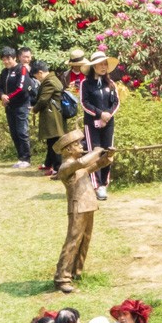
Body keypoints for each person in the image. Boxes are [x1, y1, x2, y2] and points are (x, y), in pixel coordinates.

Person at [53, 129, 113, 292]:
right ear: (68, 150)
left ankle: (76, 271)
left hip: (88, 205)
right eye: (77, 144)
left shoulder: (78, 166)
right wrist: (96, 151)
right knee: (73, 241)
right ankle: (62, 278)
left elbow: (95, 165)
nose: (81, 146)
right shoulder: (67, 166)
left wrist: (107, 157)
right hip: (77, 207)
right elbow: (82, 163)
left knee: (85, 239)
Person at [80, 52, 118, 197]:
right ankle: (96, 185)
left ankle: (104, 183)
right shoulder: (85, 83)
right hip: (91, 124)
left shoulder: (111, 83)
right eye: (100, 64)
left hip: (108, 123)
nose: (103, 67)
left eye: (105, 64)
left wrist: (107, 115)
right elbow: (84, 103)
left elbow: (115, 102)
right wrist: (99, 114)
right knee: (94, 152)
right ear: (93, 66)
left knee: (108, 152)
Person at [0, 47, 35, 165]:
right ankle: (20, 157)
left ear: (14, 58)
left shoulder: (21, 69)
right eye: (3, 59)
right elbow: (0, 87)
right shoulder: (4, 72)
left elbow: (22, 88)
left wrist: (9, 97)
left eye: (8, 59)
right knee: (14, 132)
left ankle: (26, 158)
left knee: (21, 132)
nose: (6, 61)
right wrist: (2, 96)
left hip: (21, 105)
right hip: (9, 106)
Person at [33, 60, 69, 173]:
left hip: (53, 116)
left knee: (55, 142)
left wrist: (35, 109)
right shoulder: (53, 78)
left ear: (40, 72)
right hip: (54, 114)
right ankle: (49, 163)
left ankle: (57, 168)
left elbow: (43, 99)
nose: (37, 78)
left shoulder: (49, 81)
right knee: (51, 141)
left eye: (36, 76)